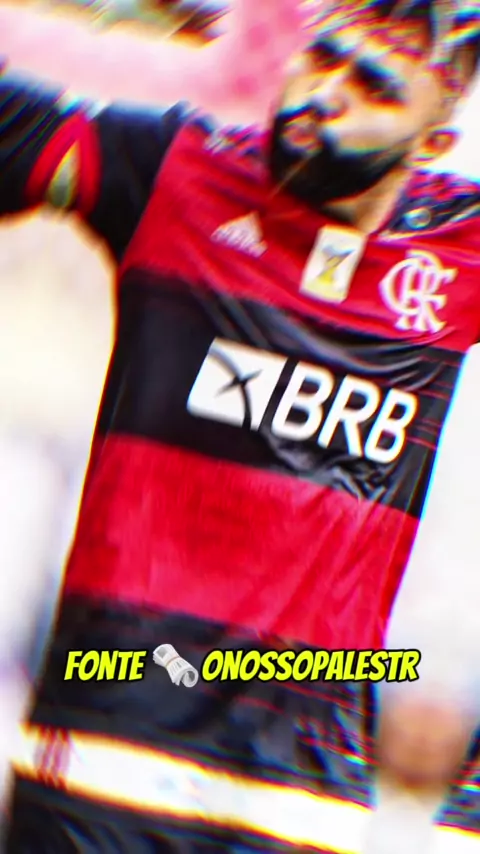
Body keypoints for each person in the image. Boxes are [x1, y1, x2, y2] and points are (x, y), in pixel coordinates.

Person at [1, 0, 480, 850]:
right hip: (101, 772)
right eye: (321, 58)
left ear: (435, 140)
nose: (325, 94)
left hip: (298, 811)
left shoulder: (459, 249)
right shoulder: (178, 172)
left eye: (373, 86)